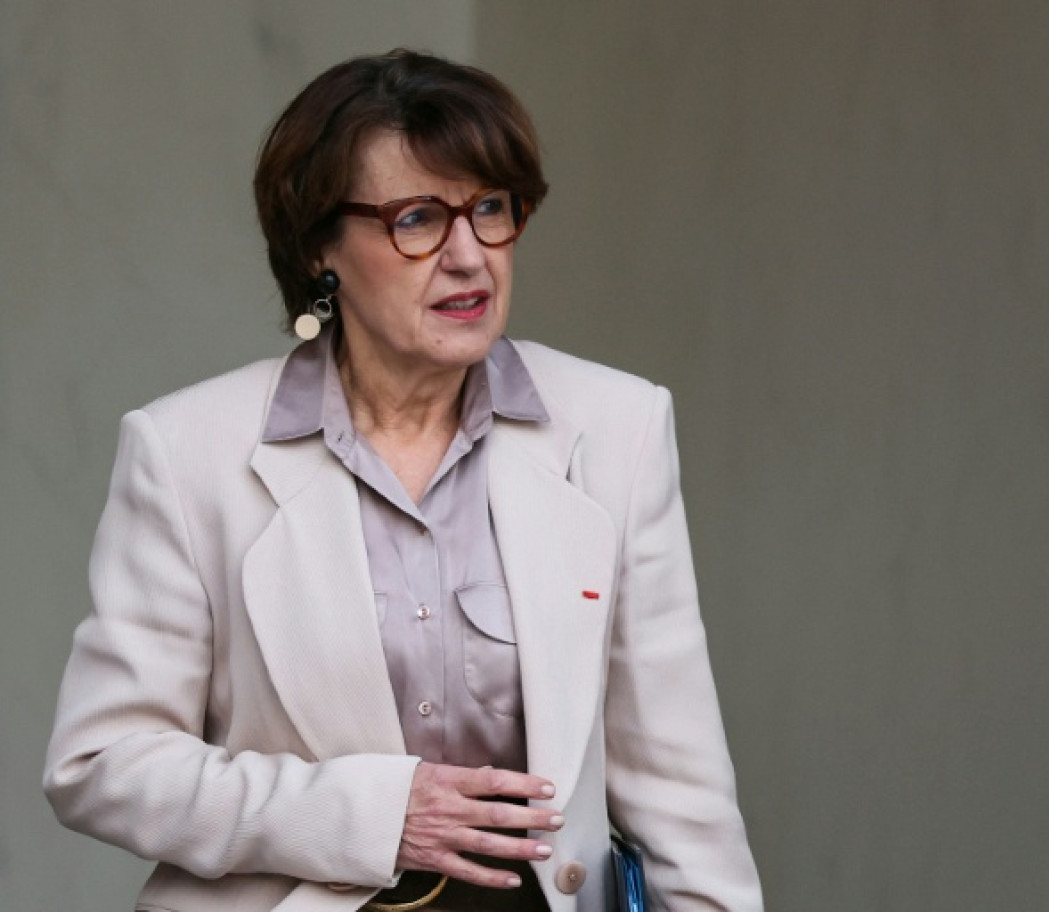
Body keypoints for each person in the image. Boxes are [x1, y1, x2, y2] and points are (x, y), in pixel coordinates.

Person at [44, 49, 762, 912]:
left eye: (489, 209)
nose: (469, 257)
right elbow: (104, 764)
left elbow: (680, 789)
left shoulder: (619, 428)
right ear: (320, 246)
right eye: (417, 219)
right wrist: (376, 816)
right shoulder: (185, 450)